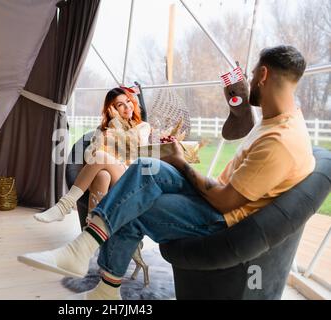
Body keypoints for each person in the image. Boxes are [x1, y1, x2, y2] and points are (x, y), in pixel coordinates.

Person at [19, 45, 315, 300]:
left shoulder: (280, 142)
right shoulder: (277, 123)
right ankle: (96, 273)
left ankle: (91, 264)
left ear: (263, 74)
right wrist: (172, 159)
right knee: (146, 169)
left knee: (133, 199)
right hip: (217, 199)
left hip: (219, 219)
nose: (249, 81)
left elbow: (225, 202)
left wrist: (181, 162)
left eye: (252, 75)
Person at [34, 87, 151, 223]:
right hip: (110, 176)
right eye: (120, 105)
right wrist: (109, 132)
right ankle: (93, 229)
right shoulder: (102, 130)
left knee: (101, 157)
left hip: (131, 177)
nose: (127, 106)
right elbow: (90, 157)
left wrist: (116, 124)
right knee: (102, 175)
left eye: (128, 101)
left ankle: (64, 206)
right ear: (111, 109)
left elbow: (133, 152)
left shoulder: (142, 127)